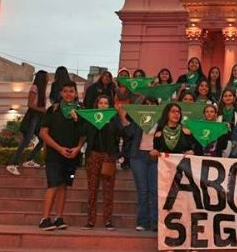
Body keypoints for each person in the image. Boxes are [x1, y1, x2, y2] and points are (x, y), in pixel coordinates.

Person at [38, 81, 85, 230]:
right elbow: (43, 133)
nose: (68, 94)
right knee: (53, 184)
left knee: (64, 185)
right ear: (61, 93)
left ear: (76, 93)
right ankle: (45, 219)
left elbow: (84, 134)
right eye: (65, 91)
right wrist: (59, 148)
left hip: (72, 157)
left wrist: (78, 148)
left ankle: (59, 217)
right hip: (54, 155)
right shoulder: (53, 110)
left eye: (71, 91)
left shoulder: (81, 111)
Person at [116, 97, 159, 232]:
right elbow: (128, 134)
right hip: (138, 156)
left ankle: (155, 223)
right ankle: (142, 222)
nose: (149, 106)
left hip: (155, 156)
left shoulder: (161, 121)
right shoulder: (137, 119)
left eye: (152, 104)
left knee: (154, 190)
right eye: (146, 104)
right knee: (143, 190)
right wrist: (123, 118)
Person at [81, 95, 120, 230]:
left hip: (108, 157)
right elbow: (83, 132)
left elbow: (121, 132)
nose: (103, 105)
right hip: (93, 155)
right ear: (96, 104)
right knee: (92, 189)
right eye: (100, 103)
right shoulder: (91, 118)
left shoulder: (113, 118)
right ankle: (90, 220)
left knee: (108, 190)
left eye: (106, 103)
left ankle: (108, 220)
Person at [7, 70, 49, 175]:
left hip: (39, 116)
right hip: (33, 115)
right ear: (42, 78)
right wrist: (43, 110)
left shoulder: (42, 89)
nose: (48, 79)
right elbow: (30, 104)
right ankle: (12, 164)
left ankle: (29, 160)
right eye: (47, 77)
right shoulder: (34, 88)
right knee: (27, 139)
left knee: (43, 139)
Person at [218, 88, 237, 157]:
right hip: (219, 144)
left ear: (234, 98)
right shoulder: (217, 112)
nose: (228, 97)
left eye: (230, 95)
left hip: (235, 145)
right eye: (225, 96)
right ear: (222, 98)